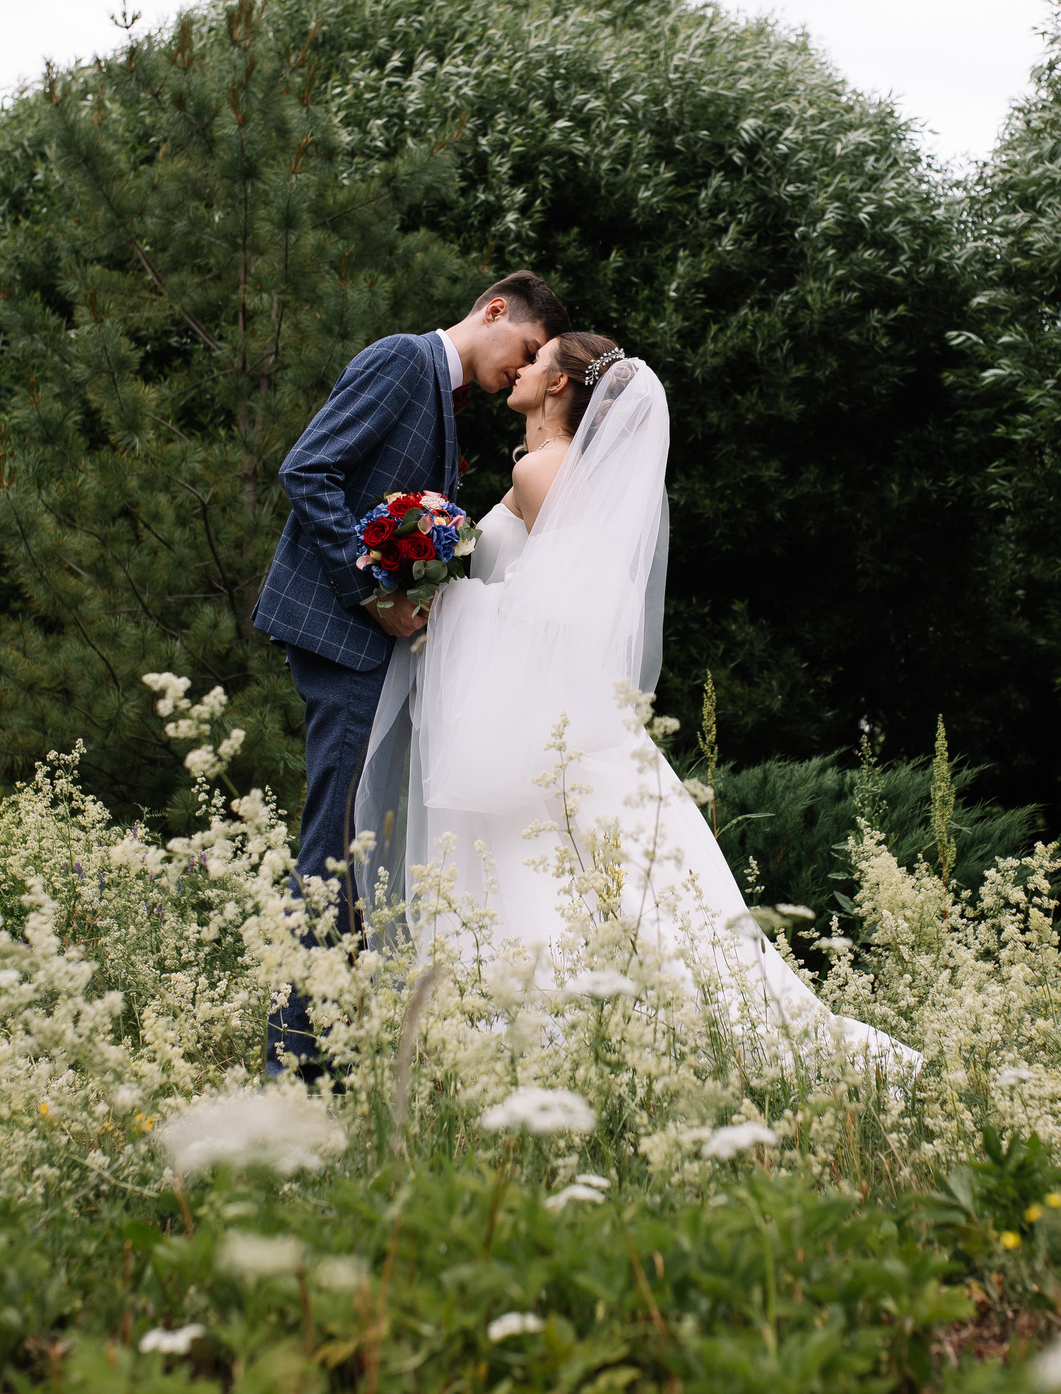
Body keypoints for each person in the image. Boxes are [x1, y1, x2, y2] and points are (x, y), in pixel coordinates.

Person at [351, 335, 917, 1070]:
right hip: (529, 722)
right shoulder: (548, 469)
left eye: (536, 358)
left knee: (549, 883)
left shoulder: (548, 470)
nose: (519, 367)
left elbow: (563, 610)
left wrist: (448, 605)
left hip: (531, 729)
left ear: (557, 385)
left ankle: (554, 1044)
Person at [253, 271, 568, 1071]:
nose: (521, 369)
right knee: (334, 849)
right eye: (526, 349)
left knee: (354, 849)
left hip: (368, 645)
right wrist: (373, 596)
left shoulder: (443, 397)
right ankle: (294, 1064)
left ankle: (331, 1053)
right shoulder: (403, 361)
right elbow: (307, 469)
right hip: (342, 637)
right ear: (494, 312)